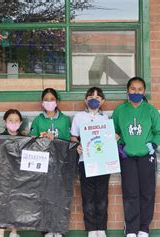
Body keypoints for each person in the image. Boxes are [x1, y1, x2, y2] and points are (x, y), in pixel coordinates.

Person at [112, 77, 160, 237]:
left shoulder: (150, 110)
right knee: (130, 192)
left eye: (139, 89)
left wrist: (153, 145)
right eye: (133, 89)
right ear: (127, 91)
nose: (136, 92)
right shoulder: (120, 111)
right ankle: (131, 229)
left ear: (144, 91)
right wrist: (120, 144)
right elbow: (113, 132)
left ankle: (143, 228)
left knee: (147, 192)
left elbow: (159, 131)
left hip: (145, 156)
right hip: (127, 157)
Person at [29, 88, 71, 237]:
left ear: (57, 102)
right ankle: (47, 230)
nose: (49, 102)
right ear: (42, 102)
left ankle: (58, 229)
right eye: (46, 99)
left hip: (61, 164)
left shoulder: (65, 120)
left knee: (59, 197)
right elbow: (31, 142)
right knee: (45, 197)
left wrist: (56, 140)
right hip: (43, 164)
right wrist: (40, 138)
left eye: (52, 99)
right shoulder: (38, 120)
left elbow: (68, 142)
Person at [70, 87, 110, 237]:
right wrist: (77, 146)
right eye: (91, 97)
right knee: (88, 197)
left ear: (103, 101)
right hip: (85, 161)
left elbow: (107, 139)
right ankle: (92, 229)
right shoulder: (79, 117)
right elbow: (73, 137)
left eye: (98, 97)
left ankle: (101, 228)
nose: (94, 99)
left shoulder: (105, 118)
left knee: (101, 196)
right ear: (85, 100)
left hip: (102, 162)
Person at [0, 109, 24, 237]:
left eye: (16, 120)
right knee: (2, 205)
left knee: (17, 204)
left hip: (20, 178)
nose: (13, 123)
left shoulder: (25, 139)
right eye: (10, 120)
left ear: (21, 122)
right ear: (5, 121)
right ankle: (1, 234)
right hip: (3, 178)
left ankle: (14, 232)